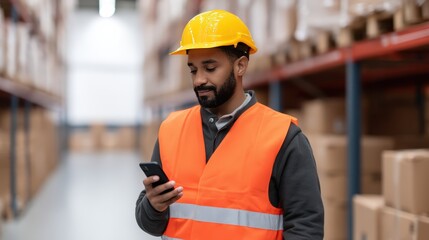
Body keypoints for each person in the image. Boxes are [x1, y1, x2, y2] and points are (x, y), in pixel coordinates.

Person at [135, 9, 324, 240]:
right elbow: (150, 223)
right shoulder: (171, 130)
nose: (199, 80)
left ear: (241, 66)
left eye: (210, 68)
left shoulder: (283, 137)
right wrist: (154, 206)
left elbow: (306, 228)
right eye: (193, 70)